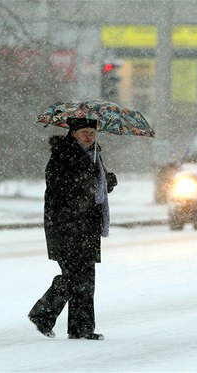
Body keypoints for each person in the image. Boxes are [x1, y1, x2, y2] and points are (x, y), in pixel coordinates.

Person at [28, 117, 117, 340]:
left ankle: (81, 328)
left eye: (92, 132)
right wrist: (86, 183)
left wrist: (107, 180)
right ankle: (43, 314)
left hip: (87, 224)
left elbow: (95, 186)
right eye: (84, 132)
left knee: (85, 276)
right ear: (73, 133)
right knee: (74, 275)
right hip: (66, 224)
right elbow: (59, 186)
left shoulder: (94, 155)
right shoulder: (62, 154)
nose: (90, 136)